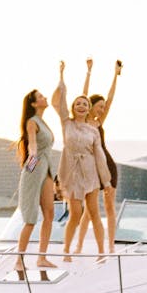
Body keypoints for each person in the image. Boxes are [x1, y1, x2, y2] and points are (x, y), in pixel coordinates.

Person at [51, 61, 113, 260]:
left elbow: (100, 157)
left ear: (89, 110)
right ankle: (67, 250)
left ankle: (101, 252)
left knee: (94, 212)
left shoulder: (93, 129)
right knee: (76, 213)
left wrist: (107, 182)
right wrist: (61, 75)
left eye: (85, 104)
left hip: (90, 173)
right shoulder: (66, 123)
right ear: (73, 108)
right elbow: (59, 100)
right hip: (71, 172)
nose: (81, 106)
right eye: (78, 103)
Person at [74, 58, 122, 254]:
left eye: (103, 107)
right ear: (90, 106)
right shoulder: (82, 121)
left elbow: (110, 99)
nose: (102, 109)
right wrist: (89, 71)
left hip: (107, 166)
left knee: (109, 207)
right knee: (89, 210)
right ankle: (78, 246)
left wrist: (115, 75)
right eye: (99, 106)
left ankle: (111, 246)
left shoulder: (99, 122)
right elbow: (83, 95)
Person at [15, 88, 56, 279]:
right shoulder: (32, 122)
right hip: (34, 166)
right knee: (31, 217)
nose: (44, 97)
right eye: (40, 97)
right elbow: (32, 143)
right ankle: (19, 260)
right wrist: (31, 160)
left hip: (46, 168)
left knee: (49, 213)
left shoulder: (43, 121)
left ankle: (42, 257)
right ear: (33, 104)